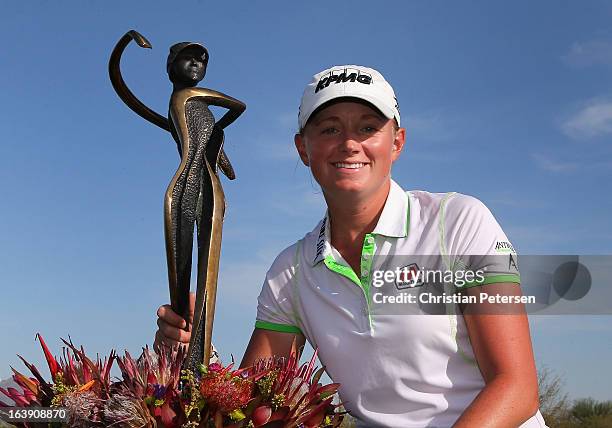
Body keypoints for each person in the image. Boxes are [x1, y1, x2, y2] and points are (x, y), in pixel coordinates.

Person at [156, 65, 548, 427]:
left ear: (396, 142)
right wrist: (186, 356)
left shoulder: (460, 221)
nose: (349, 144)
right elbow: (252, 403)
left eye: (367, 128)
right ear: (303, 149)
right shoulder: (289, 272)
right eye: (328, 129)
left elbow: (515, 387)